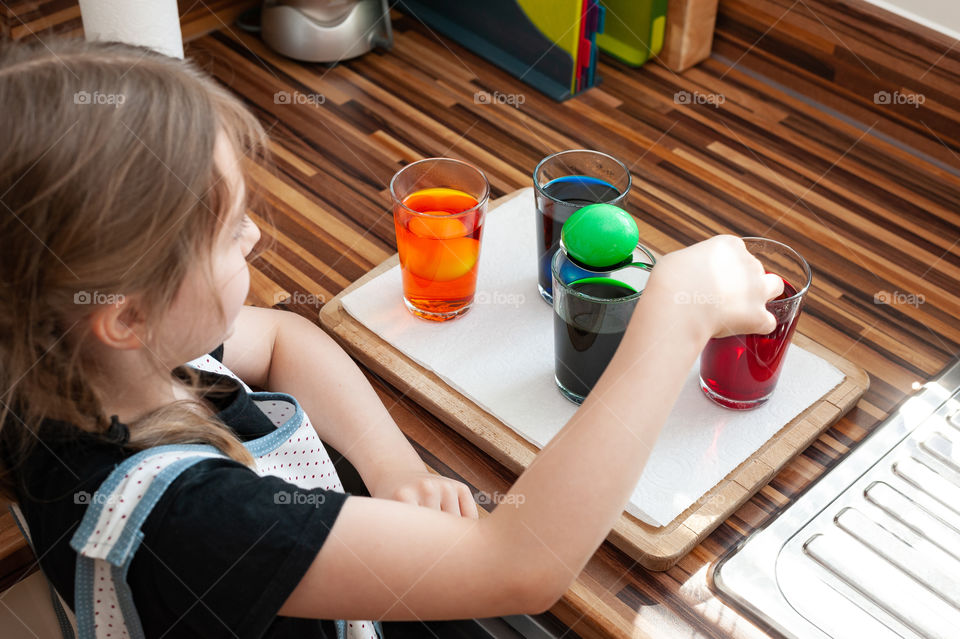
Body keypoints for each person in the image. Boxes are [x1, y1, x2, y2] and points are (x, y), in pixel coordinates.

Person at [0, 38, 782, 638]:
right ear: (126, 314)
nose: (258, 236)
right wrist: (673, 315)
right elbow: (519, 566)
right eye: (232, 229)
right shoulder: (194, 521)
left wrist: (394, 466)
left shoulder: (65, 357)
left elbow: (283, 341)